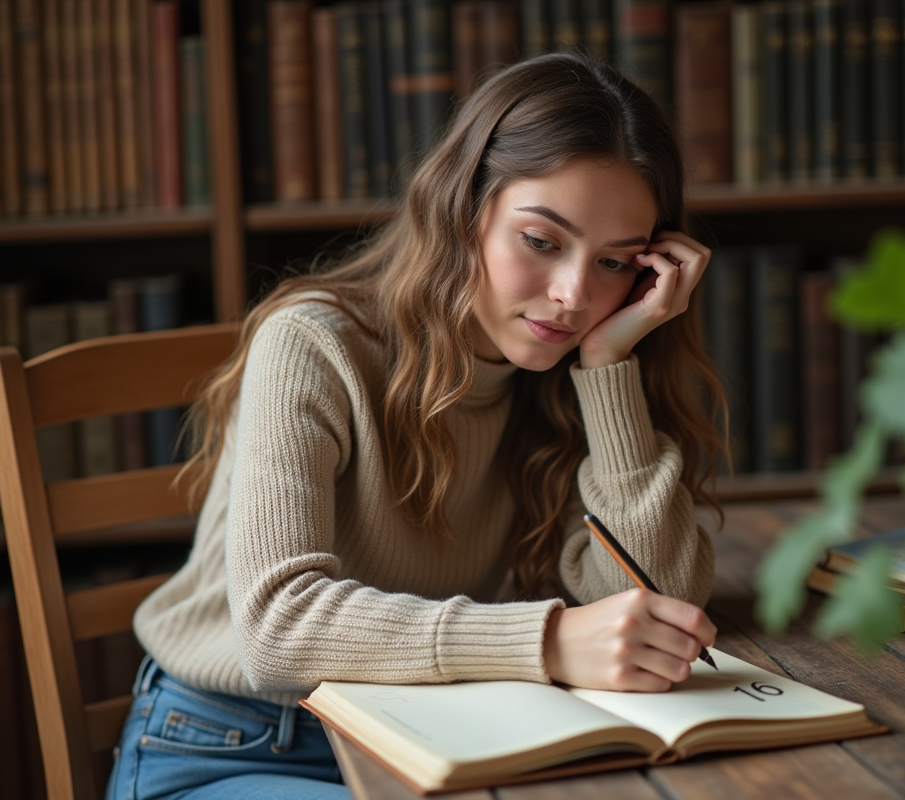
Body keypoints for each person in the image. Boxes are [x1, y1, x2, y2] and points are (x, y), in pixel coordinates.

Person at [106, 52, 726, 800]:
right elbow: (276, 629)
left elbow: (651, 605)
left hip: (441, 738)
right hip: (240, 743)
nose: (572, 295)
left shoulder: (565, 379)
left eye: (616, 262)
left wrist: (609, 368)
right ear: (463, 208)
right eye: (542, 241)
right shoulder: (314, 345)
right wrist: (551, 640)